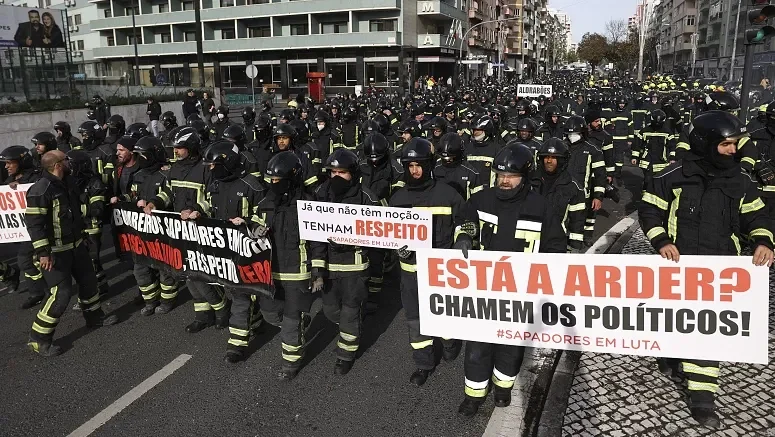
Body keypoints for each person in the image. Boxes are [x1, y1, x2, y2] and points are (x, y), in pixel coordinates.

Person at [639, 110, 774, 428]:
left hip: (719, 272)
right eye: (726, 144)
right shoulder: (672, 176)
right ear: (706, 144)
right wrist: (661, 242)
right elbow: (649, 209)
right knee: (675, 319)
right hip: (677, 267)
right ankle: (672, 353)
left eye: (734, 144)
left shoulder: (741, 181)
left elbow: (757, 217)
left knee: (706, 331)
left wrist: (763, 242)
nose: (733, 150)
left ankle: (702, 399)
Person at [455, 142, 567, 417]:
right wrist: (464, 236)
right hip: (481, 289)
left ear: (525, 175)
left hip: (520, 292)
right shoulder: (481, 199)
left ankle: (502, 387)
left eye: (511, 176)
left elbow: (555, 246)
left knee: (511, 345)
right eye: (499, 175)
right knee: (477, 346)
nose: (504, 181)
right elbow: (465, 220)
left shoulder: (540, 207)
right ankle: (474, 394)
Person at [25, 150, 119, 357]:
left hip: (76, 246)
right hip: (56, 253)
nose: (70, 162)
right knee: (60, 295)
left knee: (89, 283)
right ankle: (38, 338)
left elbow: (74, 213)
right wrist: (43, 252)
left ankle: (95, 318)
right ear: (58, 165)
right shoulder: (40, 190)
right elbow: (34, 225)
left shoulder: (69, 183)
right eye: (66, 160)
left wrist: (83, 233)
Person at [389, 138, 464, 386]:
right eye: (409, 166)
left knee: (444, 318)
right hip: (410, 275)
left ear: (429, 164)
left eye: (419, 165)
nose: (414, 170)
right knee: (416, 321)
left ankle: (450, 342)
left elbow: (464, 223)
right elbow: (386, 235)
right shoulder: (398, 199)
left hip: (442, 273)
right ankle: (423, 364)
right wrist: (395, 249)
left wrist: (464, 238)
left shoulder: (448, 195)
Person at [144, 127, 231, 333]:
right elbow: (168, 192)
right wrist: (155, 203)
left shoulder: (205, 168)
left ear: (191, 147)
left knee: (199, 275)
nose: (176, 152)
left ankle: (221, 308)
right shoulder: (174, 168)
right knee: (187, 275)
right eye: (175, 148)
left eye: (180, 148)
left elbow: (213, 197)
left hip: (201, 229)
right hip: (180, 230)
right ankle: (203, 315)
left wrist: (196, 210)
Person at [202, 141, 274, 363]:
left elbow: (266, 219)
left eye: (214, 165)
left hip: (247, 252)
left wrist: (247, 223)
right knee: (236, 292)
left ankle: (236, 344)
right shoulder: (214, 184)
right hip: (223, 252)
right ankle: (258, 321)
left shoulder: (253, 186)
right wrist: (195, 212)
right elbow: (206, 206)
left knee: (241, 295)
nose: (210, 169)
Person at [309, 149, 380, 374]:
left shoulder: (367, 198)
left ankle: (346, 354)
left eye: (343, 172)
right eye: (333, 172)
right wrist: (318, 268)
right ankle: (354, 325)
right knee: (330, 311)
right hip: (329, 267)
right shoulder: (320, 193)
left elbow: (379, 234)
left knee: (349, 311)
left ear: (354, 174)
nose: (337, 176)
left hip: (355, 267)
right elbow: (315, 235)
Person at [252, 152, 311, 380]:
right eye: (271, 181)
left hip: (297, 271)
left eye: (278, 180)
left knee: (290, 319)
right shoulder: (266, 203)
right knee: (270, 314)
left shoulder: (309, 204)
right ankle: (298, 326)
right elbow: (254, 224)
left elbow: (317, 240)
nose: (273, 185)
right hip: (270, 271)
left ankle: (291, 362)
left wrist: (317, 270)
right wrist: (255, 230)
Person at [123, 136, 178, 315]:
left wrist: (154, 203)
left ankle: (167, 300)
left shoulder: (166, 174)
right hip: (141, 231)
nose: (140, 159)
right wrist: (127, 200)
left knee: (164, 269)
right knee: (140, 267)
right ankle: (150, 300)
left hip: (162, 231)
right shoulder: (137, 175)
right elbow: (132, 195)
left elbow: (171, 197)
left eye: (143, 155)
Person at [0, 145, 43, 305]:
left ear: (22, 161)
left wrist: (21, 186)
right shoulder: (9, 181)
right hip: (23, 230)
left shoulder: (37, 178)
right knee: (31, 261)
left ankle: (40, 292)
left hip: (38, 228)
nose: (6, 166)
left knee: (24, 260)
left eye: (9, 163)